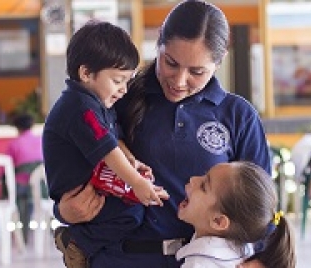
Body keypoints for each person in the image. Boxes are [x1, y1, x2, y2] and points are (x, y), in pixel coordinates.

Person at [55, 1, 271, 267]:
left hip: (204, 261)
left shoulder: (238, 116)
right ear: (158, 44)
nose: (179, 81)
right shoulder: (117, 98)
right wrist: (64, 211)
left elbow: (259, 211)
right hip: (119, 258)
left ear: (219, 61)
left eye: (196, 71)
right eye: (170, 63)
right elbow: (67, 166)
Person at [42, 20, 169, 268]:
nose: (123, 90)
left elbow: (115, 141)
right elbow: (107, 150)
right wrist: (137, 182)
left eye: (127, 82)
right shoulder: (80, 107)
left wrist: (133, 162)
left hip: (97, 182)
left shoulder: (99, 103)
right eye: (117, 80)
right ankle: (76, 243)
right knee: (129, 214)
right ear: (86, 73)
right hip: (78, 190)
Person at [176, 161, 296, 268]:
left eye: (203, 187)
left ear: (218, 221)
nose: (193, 179)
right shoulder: (242, 249)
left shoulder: (198, 265)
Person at [6, 113, 43, 243]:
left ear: (17, 128)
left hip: (22, 188)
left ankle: (23, 235)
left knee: (14, 192)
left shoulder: (14, 144)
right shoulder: (42, 141)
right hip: (44, 189)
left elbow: (6, 169)